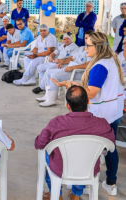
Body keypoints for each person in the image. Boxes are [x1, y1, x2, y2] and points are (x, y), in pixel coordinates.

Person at [52, 32, 124, 196]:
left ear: (98, 47)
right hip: (114, 110)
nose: (85, 49)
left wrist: (70, 85)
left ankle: (83, 184)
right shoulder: (112, 59)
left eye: (88, 45)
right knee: (110, 146)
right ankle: (111, 183)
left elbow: (91, 93)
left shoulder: (99, 66)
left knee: (91, 148)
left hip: (102, 113)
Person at [35, 85, 115, 200]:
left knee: (48, 153)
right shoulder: (102, 124)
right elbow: (110, 147)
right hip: (88, 169)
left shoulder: (56, 123)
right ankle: (75, 195)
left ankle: (56, 195)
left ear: (68, 106)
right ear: (87, 101)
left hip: (60, 169)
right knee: (86, 157)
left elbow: (39, 143)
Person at [36, 31, 94, 107]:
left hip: (78, 72)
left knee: (55, 75)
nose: (86, 40)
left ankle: (51, 100)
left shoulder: (91, 50)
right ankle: (47, 95)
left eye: (88, 38)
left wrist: (72, 67)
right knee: (48, 72)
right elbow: (71, 58)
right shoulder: (82, 48)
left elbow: (87, 65)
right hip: (69, 70)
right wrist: (62, 62)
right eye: (85, 38)